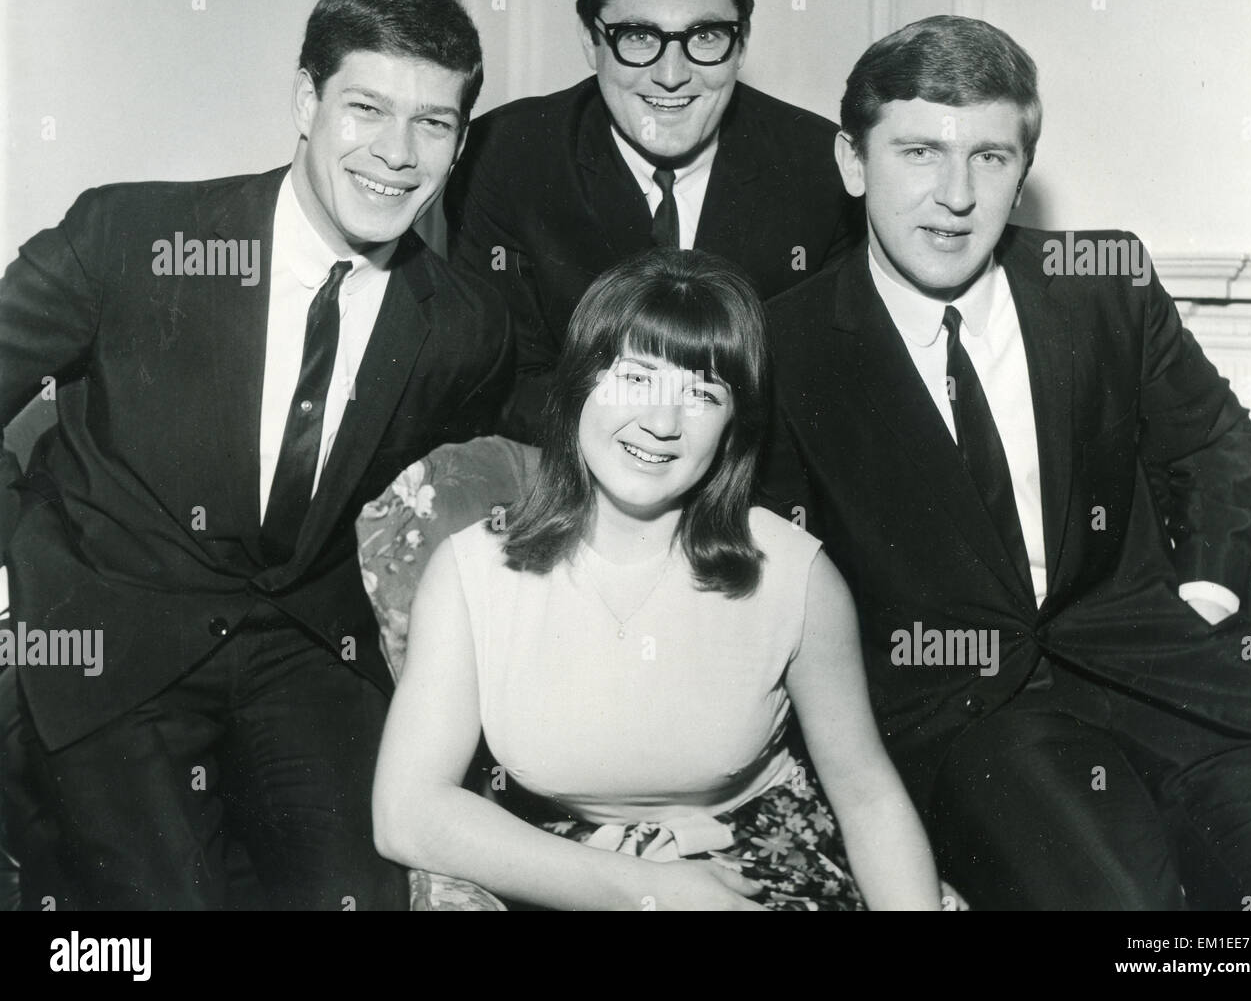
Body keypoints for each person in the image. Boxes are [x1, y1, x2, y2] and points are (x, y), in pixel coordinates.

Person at [761, 14, 1251, 910]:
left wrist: (1204, 590)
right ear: (854, 163)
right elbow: (776, 570)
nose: (956, 195)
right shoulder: (787, 343)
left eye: (991, 157)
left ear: (1022, 172)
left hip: (1175, 678)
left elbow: (1211, 440)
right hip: (978, 720)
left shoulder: (1101, 282)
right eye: (919, 152)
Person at [0, 0, 512, 910]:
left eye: (433, 124)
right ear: (305, 101)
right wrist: (15, 562)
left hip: (306, 649)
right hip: (113, 636)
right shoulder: (131, 235)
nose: (397, 156)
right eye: (367, 108)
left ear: (460, 142)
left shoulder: (466, 324)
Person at [373, 250, 941, 911]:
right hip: (566, 869)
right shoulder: (473, 573)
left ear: (732, 428)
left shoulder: (796, 575)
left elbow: (868, 796)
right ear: (580, 382)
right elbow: (407, 811)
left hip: (761, 870)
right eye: (636, 379)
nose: (663, 424)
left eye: (702, 395)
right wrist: (652, 889)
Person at [445, 0, 863, 444]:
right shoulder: (506, 155)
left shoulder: (818, 166)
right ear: (590, 40)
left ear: (741, 43)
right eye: (638, 37)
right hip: (571, 482)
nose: (671, 76)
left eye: (705, 36)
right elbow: (504, 383)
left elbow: (822, 396)